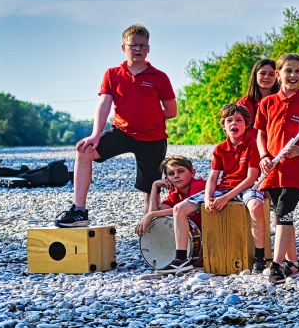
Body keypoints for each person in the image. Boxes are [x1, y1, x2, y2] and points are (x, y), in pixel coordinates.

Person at [55, 24, 177, 227]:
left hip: (153, 137)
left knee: (150, 189)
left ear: (148, 49)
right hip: (122, 132)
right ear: (124, 47)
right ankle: (79, 210)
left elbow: (172, 112)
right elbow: (104, 104)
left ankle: (150, 228)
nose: (138, 49)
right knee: (84, 152)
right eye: (133, 45)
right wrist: (95, 135)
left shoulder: (160, 77)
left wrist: (149, 117)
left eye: (143, 45)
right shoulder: (112, 74)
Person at [161, 104, 266, 274]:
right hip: (224, 187)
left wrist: (225, 198)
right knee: (179, 209)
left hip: (247, 187)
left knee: (256, 206)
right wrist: (209, 197)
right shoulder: (220, 148)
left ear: (246, 124)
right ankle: (181, 258)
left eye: (239, 120)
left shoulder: (252, 145)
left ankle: (260, 258)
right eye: (229, 120)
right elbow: (213, 177)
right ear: (224, 126)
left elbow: (251, 178)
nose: (234, 123)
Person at [256, 53, 299, 283]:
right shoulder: (267, 103)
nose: (292, 75)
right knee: (282, 215)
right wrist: (264, 155)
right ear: (278, 74)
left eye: (297, 71)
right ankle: (294, 264)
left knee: (284, 212)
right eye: (288, 70)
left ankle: (276, 265)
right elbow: (261, 134)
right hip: (274, 170)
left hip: (296, 170)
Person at [135, 156, 203, 238]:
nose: (176, 176)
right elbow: (157, 215)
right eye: (171, 173)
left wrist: (151, 214)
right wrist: (155, 186)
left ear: (192, 173)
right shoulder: (175, 192)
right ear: (167, 178)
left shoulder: (199, 185)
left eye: (181, 171)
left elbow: (185, 209)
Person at [236, 59, 279, 123]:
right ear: (255, 75)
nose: (266, 77)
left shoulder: (282, 102)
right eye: (263, 73)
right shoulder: (243, 104)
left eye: (271, 74)